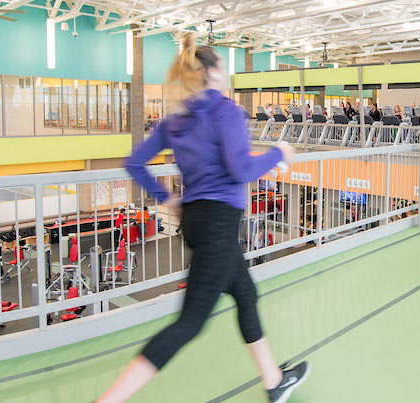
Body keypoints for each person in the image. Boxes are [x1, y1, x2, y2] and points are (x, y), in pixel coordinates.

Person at [99, 34, 308, 403]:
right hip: (218, 225)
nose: (227, 74)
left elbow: (134, 163)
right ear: (211, 74)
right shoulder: (226, 111)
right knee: (189, 323)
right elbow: (241, 168)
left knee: (246, 294)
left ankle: (275, 382)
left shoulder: (176, 120)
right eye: (224, 67)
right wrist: (279, 152)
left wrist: (167, 198)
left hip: (196, 221)